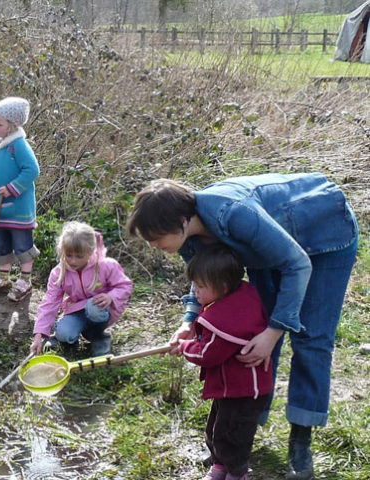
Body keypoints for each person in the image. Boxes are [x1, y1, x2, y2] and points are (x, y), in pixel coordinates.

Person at [126, 173, 359, 480]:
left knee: (310, 338)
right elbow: (203, 281)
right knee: (253, 334)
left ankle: (300, 441)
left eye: (156, 238)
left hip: (324, 236)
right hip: (272, 251)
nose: (154, 246)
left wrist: (275, 331)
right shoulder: (189, 239)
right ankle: (241, 434)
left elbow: (297, 264)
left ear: (183, 222)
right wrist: (188, 323)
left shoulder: (234, 214)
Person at [172, 243, 273, 480]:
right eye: (194, 284)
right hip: (230, 387)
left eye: (201, 286)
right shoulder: (236, 297)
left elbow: (208, 355)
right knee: (216, 428)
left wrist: (184, 347)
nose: (195, 291)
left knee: (234, 435)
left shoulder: (226, 319)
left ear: (223, 287)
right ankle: (220, 466)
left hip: (245, 391)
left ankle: (237, 473)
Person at [30, 221, 133, 357]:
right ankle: (69, 339)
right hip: (77, 310)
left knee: (93, 307)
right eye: (69, 255)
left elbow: (125, 285)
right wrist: (39, 334)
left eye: (79, 256)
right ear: (62, 251)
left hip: (99, 309)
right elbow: (50, 301)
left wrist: (110, 297)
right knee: (63, 333)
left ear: (90, 251)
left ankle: (99, 337)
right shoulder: (58, 273)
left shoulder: (106, 266)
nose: (73, 261)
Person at [0, 96, 40, 302]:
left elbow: (32, 169)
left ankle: (25, 280)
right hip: (0, 209)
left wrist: (13, 188)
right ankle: (3, 279)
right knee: (2, 244)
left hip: (18, 209)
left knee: (22, 244)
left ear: (13, 126)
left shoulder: (18, 146)